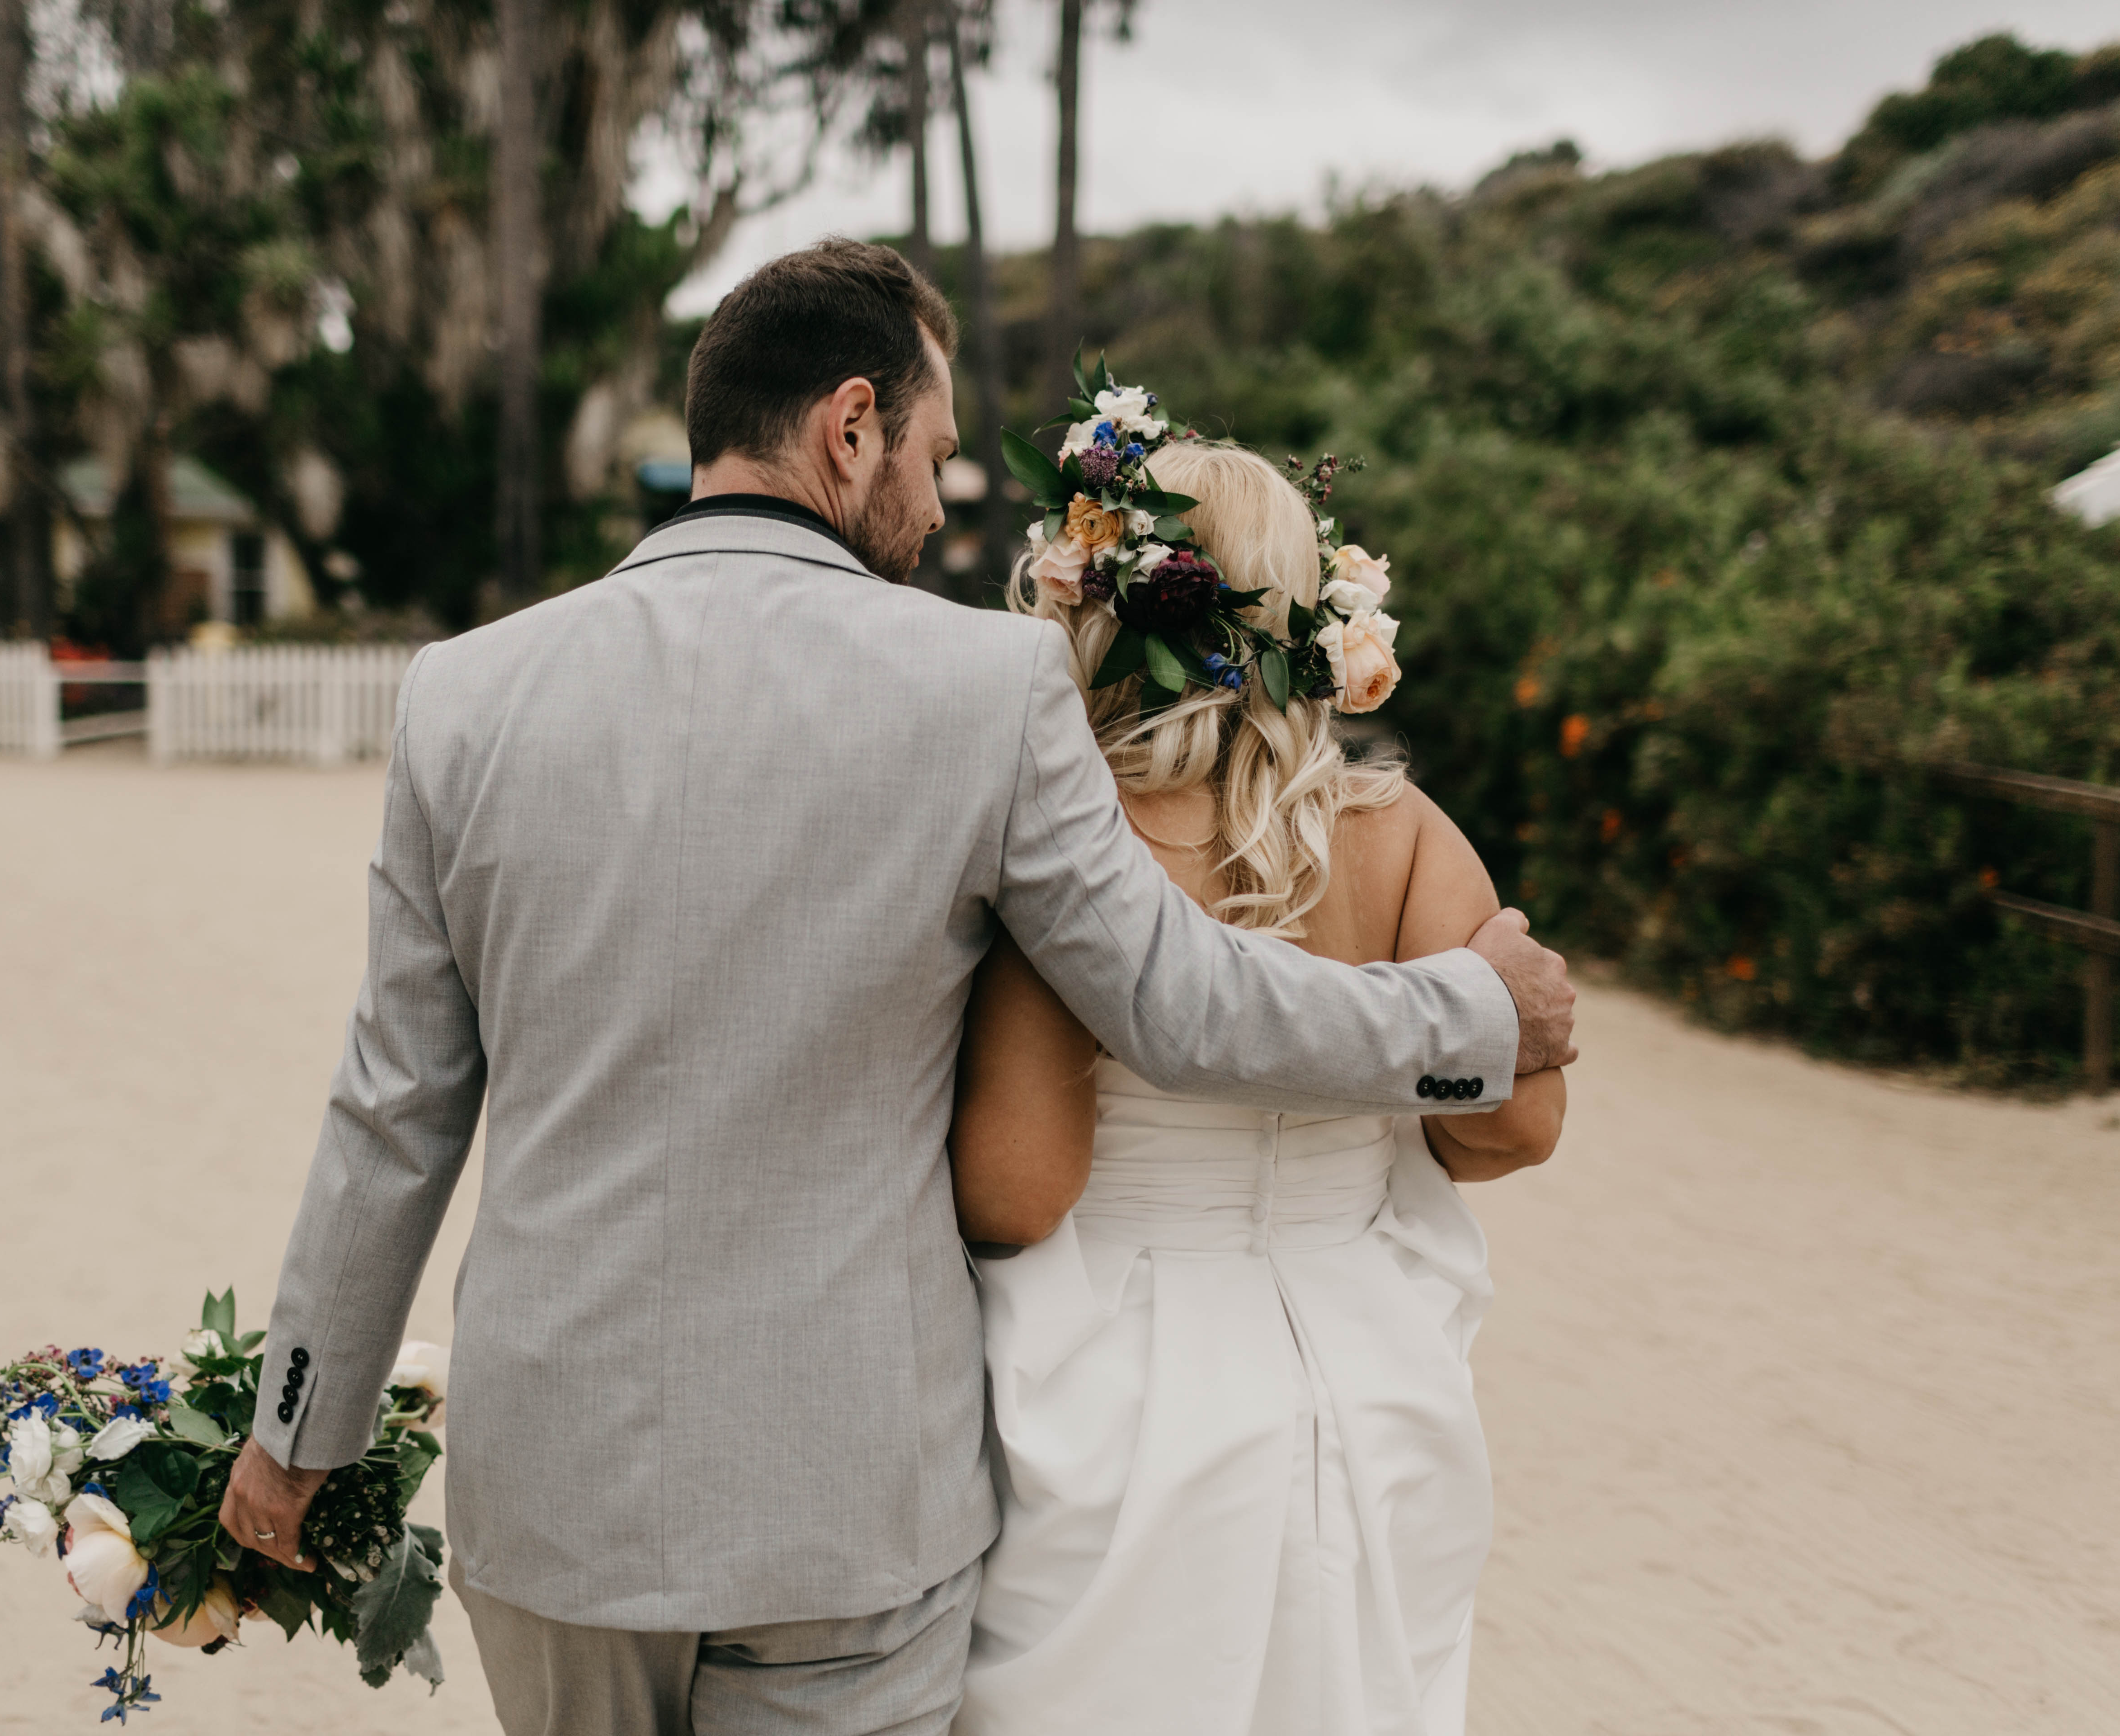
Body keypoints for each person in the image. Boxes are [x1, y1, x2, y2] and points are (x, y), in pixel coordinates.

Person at [215, 238, 1576, 1736]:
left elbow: (395, 1111)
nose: (937, 505)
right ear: (846, 426)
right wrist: (1479, 1017)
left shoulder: (461, 694)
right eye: (930, 454)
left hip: (557, 1497)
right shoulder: (988, 688)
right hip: (851, 1506)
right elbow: (1181, 1005)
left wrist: (297, 1431)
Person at [947, 438, 1565, 1735]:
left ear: (1102, 602)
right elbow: (1518, 1123)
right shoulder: (1400, 831)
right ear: (1312, 612)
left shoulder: (1075, 850)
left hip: (1133, 1393)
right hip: (1371, 1368)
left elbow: (1019, 1185)